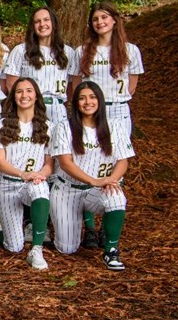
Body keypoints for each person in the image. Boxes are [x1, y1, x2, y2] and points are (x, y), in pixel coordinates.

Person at [68, 1, 143, 248]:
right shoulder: (82, 51)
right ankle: (89, 226)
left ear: (114, 20)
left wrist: (114, 102)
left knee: (115, 161)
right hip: (90, 112)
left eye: (104, 17)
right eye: (96, 19)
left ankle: (107, 223)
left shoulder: (130, 50)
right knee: (88, 158)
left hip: (118, 111)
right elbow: (76, 85)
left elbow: (131, 86)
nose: (100, 22)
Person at [50, 81, 133, 271]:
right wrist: (93, 180)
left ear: (100, 100)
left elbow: (123, 160)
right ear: (76, 102)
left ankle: (111, 249)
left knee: (116, 196)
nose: (88, 102)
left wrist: (112, 180)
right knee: (67, 248)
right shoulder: (64, 126)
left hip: (99, 189)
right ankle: (82, 226)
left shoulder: (115, 125)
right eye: (82, 98)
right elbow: (65, 163)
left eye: (92, 97)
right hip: (67, 189)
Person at [0, 78, 53, 270]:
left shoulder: (48, 125)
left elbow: (49, 164)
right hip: (8, 183)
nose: (24, 95)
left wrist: (38, 174)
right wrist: (22, 173)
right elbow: (0, 162)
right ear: (13, 96)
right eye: (19, 91)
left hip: (32, 182)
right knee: (14, 247)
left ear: (36, 96)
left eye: (29, 91)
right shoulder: (1, 124)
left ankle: (37, 247)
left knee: (41, 188)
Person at [5, 6, 72, 125]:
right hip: (31, 107)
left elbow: (71, 85)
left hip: (58, 108)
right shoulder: (21, 51)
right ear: (32, 26)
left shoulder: (68, 52)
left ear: (53, 23)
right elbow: (11, 84)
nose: (42, 24)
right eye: (37, 21)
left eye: (46, 20)